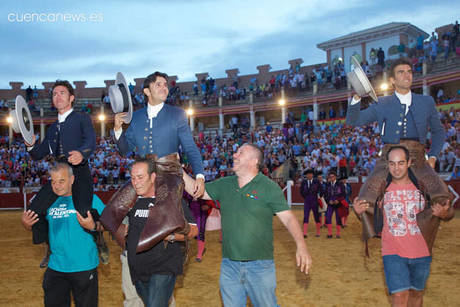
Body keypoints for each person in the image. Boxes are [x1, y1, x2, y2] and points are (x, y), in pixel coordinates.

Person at [183, 143, 311, 306]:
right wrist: (178, 171)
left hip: (260, 266)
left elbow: (288, 218)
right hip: (229, 265)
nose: (234, 155)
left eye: (240, 152)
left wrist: (301, 245)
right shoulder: (224, 184)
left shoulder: (269, 187)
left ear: (254, 161)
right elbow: (196, 190)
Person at [346, 57, 451, 243]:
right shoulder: (382, 103)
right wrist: (356, 98)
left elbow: (438, 131)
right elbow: (354, 121)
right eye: (401, 72)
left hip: (417, 157)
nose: (407, 75)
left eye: (409, 71)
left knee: (441, 197)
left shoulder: (426, 101)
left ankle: (423, 233)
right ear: (392, 80)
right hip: (389, 158)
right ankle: (382, 230)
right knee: (364, 199)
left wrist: (433, 156)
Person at [101, 71, 204, 253]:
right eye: (159, 84)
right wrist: (117, 130)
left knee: (167, 212)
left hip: (170, 171)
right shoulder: (136, 117)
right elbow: (125, 150)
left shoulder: (177, 114)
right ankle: (130, 246)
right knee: (110, 213)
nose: (164, 88)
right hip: (143, 174)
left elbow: (190, 147)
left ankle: (177, 238)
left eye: (166, 85)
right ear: (147, 91)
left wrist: (200, 175)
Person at [353, 146, 453, 307]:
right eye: (392, 164)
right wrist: (359, 213)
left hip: (422, 252)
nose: (396, 168)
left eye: (400, 163)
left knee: (416, 295)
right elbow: (368, 214)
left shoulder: (423, 188)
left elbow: (448, 213)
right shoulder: (380, 190)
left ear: (409, 163)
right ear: (387, 164)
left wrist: (443, 214)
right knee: (399, 296)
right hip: (393, 252)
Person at [25, 80, 98, 265]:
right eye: (55, 93)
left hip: (79, 171)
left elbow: (91, 140)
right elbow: (38, 154)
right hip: (59, 175)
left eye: (62, 93)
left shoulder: (81, 118)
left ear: (71, 98)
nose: (57, 96)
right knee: (34, 212)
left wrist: (82, 153)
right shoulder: (52, 128)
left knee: (83, 212)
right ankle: (49, 248)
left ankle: (98, 239)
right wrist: (31, 145)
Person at [21, 163, 105, 307]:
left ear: (72, 179)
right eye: (53, 182)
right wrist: (27, 225)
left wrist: (93, 226)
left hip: (84, 266)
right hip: (56, 267)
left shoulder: (90, 198)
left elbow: (107, 224)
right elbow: (39, 227)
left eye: (61, 181)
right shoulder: (47, 202)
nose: (57, 186)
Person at [116, 158, 197, 307]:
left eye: (140, 177)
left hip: (164, 265)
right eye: (133, 178)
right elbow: (115, 223)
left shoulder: (171, 198)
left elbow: (193, 230)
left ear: (153, 177)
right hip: (137, 267)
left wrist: (171, 236)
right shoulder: (131, 200)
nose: (136, 182)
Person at [300, 169, 323, 237]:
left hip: (315, 201)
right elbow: (301, 191)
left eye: (310, 174)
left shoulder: (316, 181)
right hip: (307, 201)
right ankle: (304, 233)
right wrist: (305, 197)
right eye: (308, 174)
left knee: (316, 216)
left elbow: (321, 189)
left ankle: (318, 232)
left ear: (313, 175)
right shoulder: (304, 182)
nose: (309, 175)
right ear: (306, 175)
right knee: (306, 216)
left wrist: (319, 196)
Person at [324, 171, 346, 238]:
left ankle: (338, 233)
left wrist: (338, 200)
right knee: (328, 217)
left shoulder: (340, 184)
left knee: (338, 218)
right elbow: (325, 195)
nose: (331, 178)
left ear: (335, 177)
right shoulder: (327, 184)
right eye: (330, 177)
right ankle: (329, 233)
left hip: (338, 204)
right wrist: (328, 201)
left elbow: (343, 194)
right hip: (330, 203)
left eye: (333, 176)